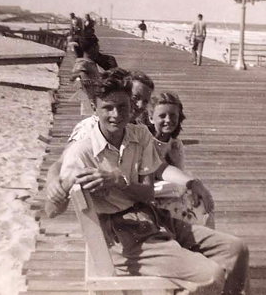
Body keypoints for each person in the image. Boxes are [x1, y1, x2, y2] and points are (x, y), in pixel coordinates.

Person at [55, 69, 249, 295]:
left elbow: (150, 187)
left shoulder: (138, 134)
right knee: (211, 276)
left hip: (151, 217)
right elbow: (58, 181)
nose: (117, 114)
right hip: (121, 234)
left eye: (126, 106)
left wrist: (189, 182)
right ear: (94, 108)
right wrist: (55, 188)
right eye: (108, 107)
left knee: (237, 249)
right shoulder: (85, 141)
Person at [45, 71, 214, 226]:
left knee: (199, 203)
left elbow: (159, 167)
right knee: (192, 214)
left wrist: (191, 182)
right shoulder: (89, 127)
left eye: (145, 101)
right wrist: (52, 181)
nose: (139, 105)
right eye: (135, 98)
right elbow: (62, 163)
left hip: (136, 200)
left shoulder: (137, 129)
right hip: (111, 211)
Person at [148, 92, 215, 228]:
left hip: (172, 189)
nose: (168, 120)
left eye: (173, 116)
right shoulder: (146, 141)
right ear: (150, 118)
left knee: (202, 204)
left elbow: (179, 172)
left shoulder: (176, 144)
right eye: (162, 116)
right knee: (187, 214)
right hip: (153, 192)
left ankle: (207, 240)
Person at [71, 36, 100, 116]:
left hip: (93, 97)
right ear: (92, 48)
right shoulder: (84, 63)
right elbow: (74, 75)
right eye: (97, 46)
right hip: (89, 98)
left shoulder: (88, 62)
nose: (98, 48)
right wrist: (82, 76)